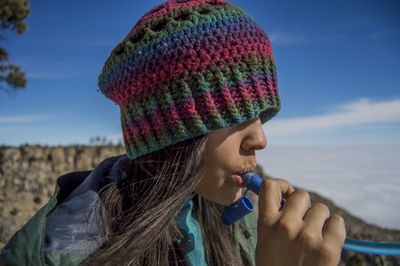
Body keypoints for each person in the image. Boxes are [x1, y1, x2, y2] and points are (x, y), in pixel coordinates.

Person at [0, 0, 346, 265]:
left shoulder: (237, 221)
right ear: (172, 133)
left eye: (259, 115)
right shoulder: (64, 254)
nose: (261, 138)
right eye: (234, 115)